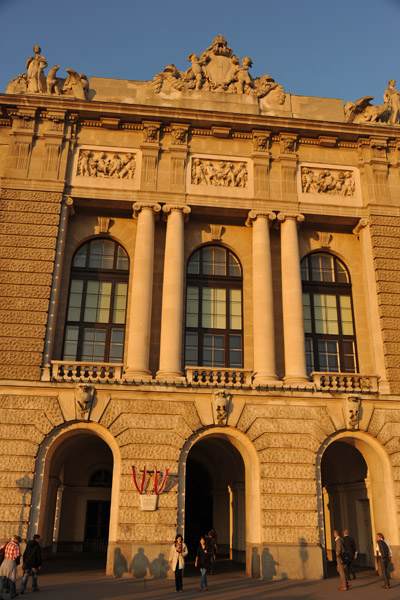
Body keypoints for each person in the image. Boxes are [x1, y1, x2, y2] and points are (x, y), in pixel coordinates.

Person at [0, 535, 21, 599]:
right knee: (12, 579)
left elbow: (1, 548)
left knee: (2, 580)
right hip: (11, 562)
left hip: (4, 562)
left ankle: (0, 596)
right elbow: (16, 556)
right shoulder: (16, 546)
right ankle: (12, 594)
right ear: (16, 540)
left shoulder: (7, 544)